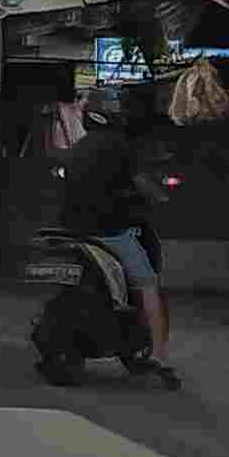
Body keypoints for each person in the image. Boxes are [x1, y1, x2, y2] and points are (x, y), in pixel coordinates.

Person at [51, 89, 175, 378]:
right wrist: (159, 196)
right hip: (110, 232)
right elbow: (142, 182)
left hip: (71, 231)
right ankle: (159, 355)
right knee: (148, 284)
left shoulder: (77, 150)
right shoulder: (119, 146)